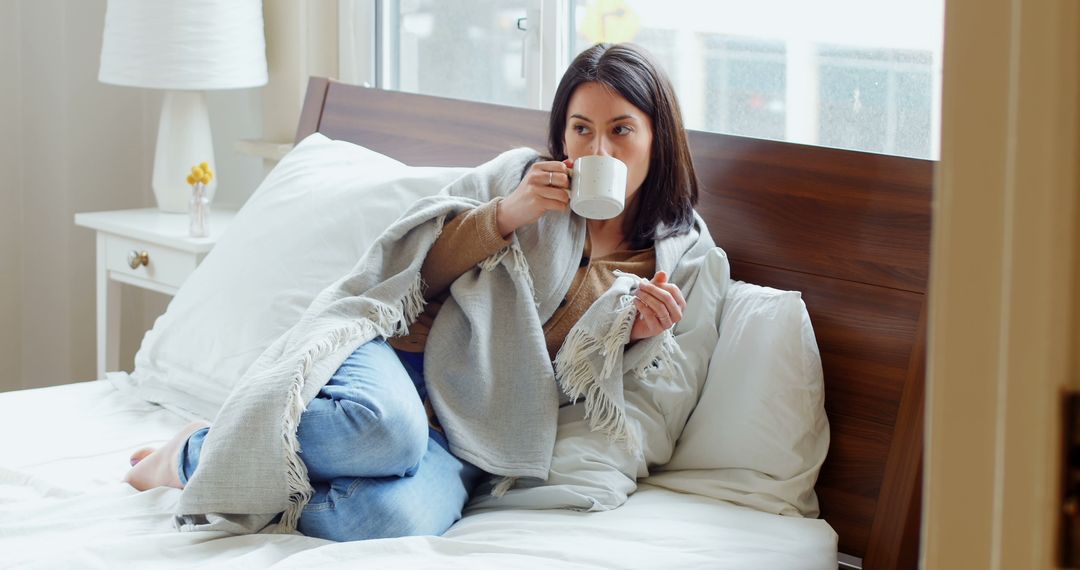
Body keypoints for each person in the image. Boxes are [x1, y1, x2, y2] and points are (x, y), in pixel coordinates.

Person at [123, 42, 705, 542]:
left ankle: (257, 470)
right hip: (399, 359)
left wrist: (635, 340)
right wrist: (507, 214)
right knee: (384, 431)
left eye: (621, 130)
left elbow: (586, 390)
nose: (597, 152)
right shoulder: (522, 181)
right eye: (582, 129)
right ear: (562, 135)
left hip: (473, 429)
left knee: (382, 519)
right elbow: (412, 271)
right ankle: (192, 455)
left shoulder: (677, 260)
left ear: (658, 138)